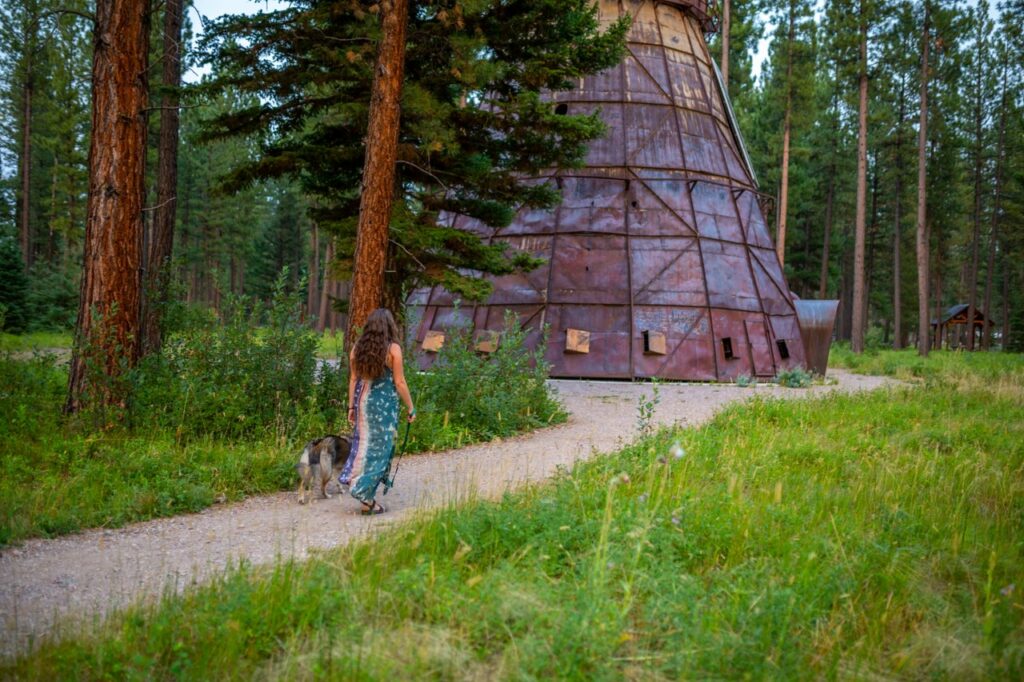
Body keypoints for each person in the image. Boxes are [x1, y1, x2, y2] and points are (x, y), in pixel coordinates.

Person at [338, 308, 415, 515]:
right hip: (385, 407)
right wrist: (411, 406)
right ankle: (364, 494)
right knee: (380, 450)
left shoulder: (358, 348)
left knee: (363, 446)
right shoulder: (393, 350)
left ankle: (362, 492)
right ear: (390, 326)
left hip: (363, 403)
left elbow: (354, 379)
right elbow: (399, 382)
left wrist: (351, 407)